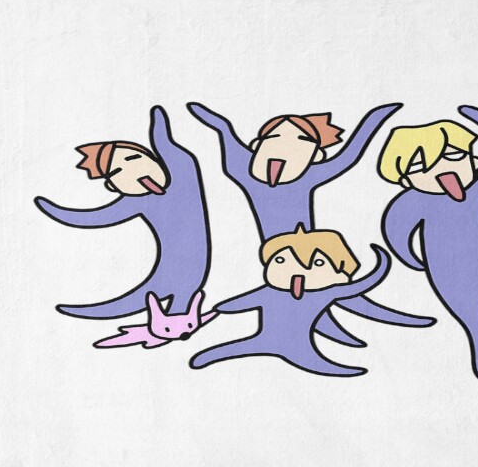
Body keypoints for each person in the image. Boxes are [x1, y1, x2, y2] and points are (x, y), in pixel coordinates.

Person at [186, 102, 433, 344]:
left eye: (301, 141)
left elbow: (347, 157)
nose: (283, 147)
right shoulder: (243, 168)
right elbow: (225, 131)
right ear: (256, 145)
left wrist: (374, 120)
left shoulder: (306, 176)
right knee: (312, 290)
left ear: (315, 156)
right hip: (280, 259)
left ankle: (330, 324)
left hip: (309, 252)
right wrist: (218, 125)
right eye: (274, 137)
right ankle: (320, 326)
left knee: (334, 289)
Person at [378, 106, 478, 381]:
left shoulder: (475, 190)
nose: (442, 168)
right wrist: (412, 260)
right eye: (420, 166)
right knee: (474, 321)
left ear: (475, 163)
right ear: (405, 179)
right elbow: (396, 232)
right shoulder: (413, 200)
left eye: (453, 156)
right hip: (448, 272)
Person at [34, 106, 210, 319]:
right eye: (118, 172)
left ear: (150, 155)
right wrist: (54, 210)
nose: (134, 172)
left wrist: (159, 121)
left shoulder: (182, 166)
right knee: (174, 301)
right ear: (113, 186)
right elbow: (92, 218)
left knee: (182, 299)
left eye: (134, 158)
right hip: (172, 274)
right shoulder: (137, 201)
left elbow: (164, 142)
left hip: (192, 276)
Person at [190, 225, 391, 377]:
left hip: (299, 347)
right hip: (262, 339)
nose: (297, 271)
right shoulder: (270, 292)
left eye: (318, 263)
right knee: (228, 350)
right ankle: (206, 357)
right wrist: (222, 308)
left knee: (311, 361)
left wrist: (382, 263)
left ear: (340, 273)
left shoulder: (324, 293)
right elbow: (239, 303)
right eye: (280, 260)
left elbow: (361, 285)